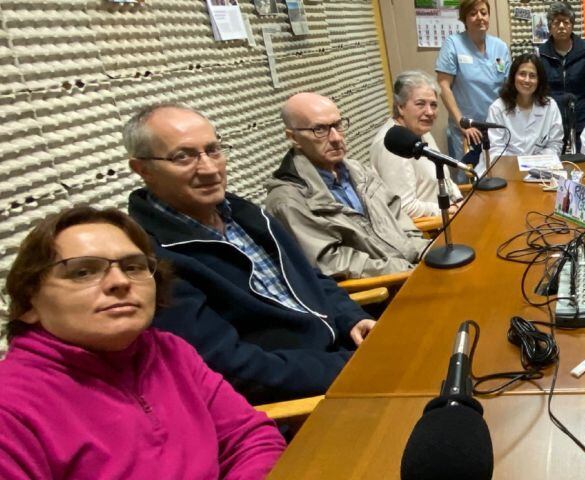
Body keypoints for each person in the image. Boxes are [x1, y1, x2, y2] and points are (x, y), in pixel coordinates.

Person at [0, 206, 285, 478]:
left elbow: (251, 438)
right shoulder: (10, 408)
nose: (120, 282)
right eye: (82, 271)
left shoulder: (170, 352)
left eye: (133, 267)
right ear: (29, 304)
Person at [125, 103, 375, 403]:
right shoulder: (151, 257)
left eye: (213, 150)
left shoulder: (246, 215)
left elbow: (311, 278)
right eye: (183, 157)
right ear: (143, 170)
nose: (209, 168)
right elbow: (233, 369)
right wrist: (346, 367)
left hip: (343, 358)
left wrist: (352, 319)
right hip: (304, 401)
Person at [269, 92, 428, 278]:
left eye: (337, 125)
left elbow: (399, 219)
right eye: (319, 129)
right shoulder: (288, 200)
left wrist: (427, 252)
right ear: (293, 137)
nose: (336, 138)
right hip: (382, 291)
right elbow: (332, 264)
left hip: (411, 270)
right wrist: (408, 270)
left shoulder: (358, 170)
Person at [369, 72, 463, 219]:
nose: (430, 112)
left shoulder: (420, 130)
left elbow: (444, 178)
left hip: (449, 215)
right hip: (428, 231)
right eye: (420, 104)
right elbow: (404, 207)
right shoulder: (392, 147)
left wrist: (458, 199)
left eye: (433, 105)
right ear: (400, 106)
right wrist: (446, 209)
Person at [435, 0, 510, 165]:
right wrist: (461, 123)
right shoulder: (453, 44)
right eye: (473, 13)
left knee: (498, 175)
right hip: (467, 130)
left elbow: (508, 87)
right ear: (464, 18)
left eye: (483, 13)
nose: (480, 17)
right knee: (468, 180)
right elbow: (443, 85)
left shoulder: (500, 47)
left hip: (495, 128)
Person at [536, 1, 585, 153]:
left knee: (583, 165)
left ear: (572, 25)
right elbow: (538, 94)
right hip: (551, 123)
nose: (561, 26)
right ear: (549, 26)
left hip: (582, 121)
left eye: (565, 22)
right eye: (556, 22)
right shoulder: (540, 54)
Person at [486, 53, 564, 156]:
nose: (527, 80)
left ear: (539, 81)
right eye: (522, 74)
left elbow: (555, 144)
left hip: (540, 167)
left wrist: (535, 163)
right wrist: (519, 166)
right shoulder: (497, 108)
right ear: (513, 77)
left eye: (532, 76)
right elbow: (496, 150)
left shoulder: (550, 106)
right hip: (505, 167)